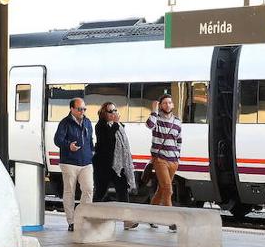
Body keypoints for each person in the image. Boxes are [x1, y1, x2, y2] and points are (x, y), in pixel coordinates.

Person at [94, 101, 138, 230]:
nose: (114, 113)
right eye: (110, 111)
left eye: (115, 110)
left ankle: (127, 221)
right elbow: (107, 141)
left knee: (123, 192)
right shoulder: (100, 126)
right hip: (104, 166)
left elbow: (123, 145)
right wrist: (115, 125)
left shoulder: (120, 126)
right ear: (104, 113)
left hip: (119, 166)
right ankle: (93, 217)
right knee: (100, 193)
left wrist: (117, 124)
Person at [54, 97, 94, 232]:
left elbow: (90, 140)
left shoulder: (87, 122)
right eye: (79, 109)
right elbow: (57, 140)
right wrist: (68, 146)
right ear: (72, 109)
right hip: (69, 162)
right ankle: (71, 221)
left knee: (88, 189)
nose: (82, 111)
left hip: (86, 162)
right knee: (69, 192)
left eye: (84, 109)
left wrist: (91, 153)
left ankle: (83, 218)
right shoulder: (65, 123)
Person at [146, 93, 183, 231]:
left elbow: (179, 140)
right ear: (161, 105)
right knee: (168, 189)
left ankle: (150, 217)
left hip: (173, 161)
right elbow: (149, 125)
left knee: (161, 190)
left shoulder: (177, 121)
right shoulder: (156, 119)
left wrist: (177, 156)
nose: (167, 105)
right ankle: (171, 220)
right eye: (164, 103)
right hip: (160, 159)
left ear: (173, 105)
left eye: (169, 102)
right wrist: (154, 111)